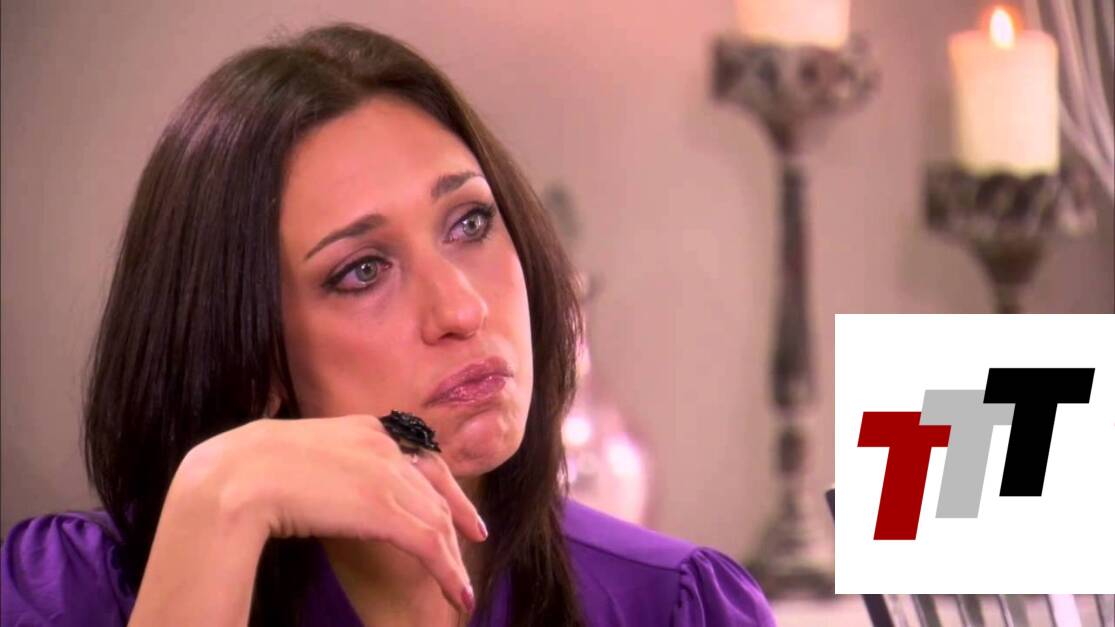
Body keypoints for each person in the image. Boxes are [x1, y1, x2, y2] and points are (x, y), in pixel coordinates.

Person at [0, 23, 776, 627]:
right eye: (363, 270)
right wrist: (219, 498)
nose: (461, 310)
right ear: (251, 349)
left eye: (470, 222)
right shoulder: (66, 593)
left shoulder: (673, 603)